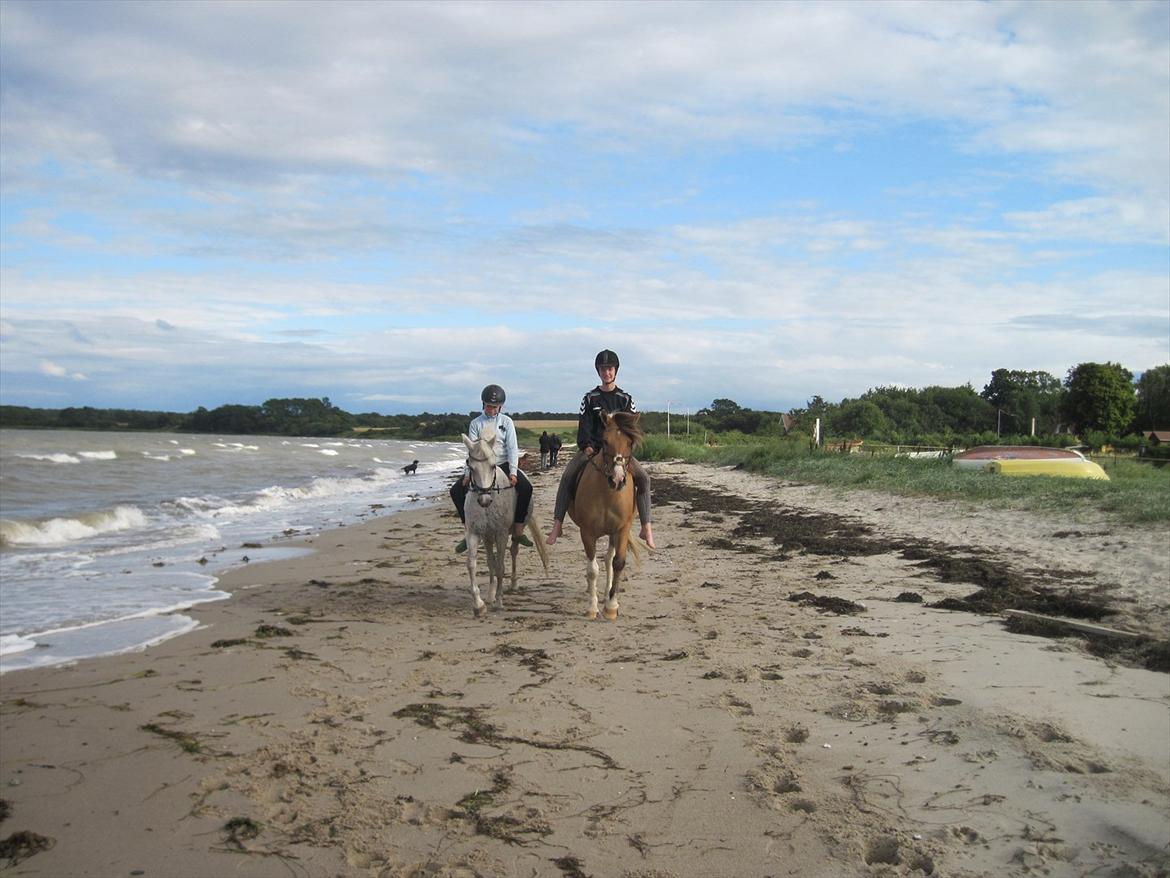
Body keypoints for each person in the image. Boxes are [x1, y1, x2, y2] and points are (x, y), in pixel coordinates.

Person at [546, 350, 655, 549]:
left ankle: (646, 526)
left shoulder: (625, 399)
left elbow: (632, 429)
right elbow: (584, 424)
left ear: (615, 371)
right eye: (603, 369)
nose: (607, 373)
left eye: (610, 369)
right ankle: (557, 524)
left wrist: (625, 450)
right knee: (568, 475)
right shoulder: (590, 398)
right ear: (598, 372)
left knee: (644, 478)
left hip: (619, 453)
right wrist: (586, 446)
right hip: (594, 449)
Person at [450, 384, 534, 553]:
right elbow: (472, 451)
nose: (491, 409)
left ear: (500, 407)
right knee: (455, 491)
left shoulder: (506, 422)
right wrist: (467, 474)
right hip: (482, 464)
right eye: (489, 406)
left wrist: (513, 472)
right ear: (483, 404)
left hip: (502, 462)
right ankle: (468, 530)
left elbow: (512, 447)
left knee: (526, 488)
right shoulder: (475, 424)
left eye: (495, 407)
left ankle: (518, 530)